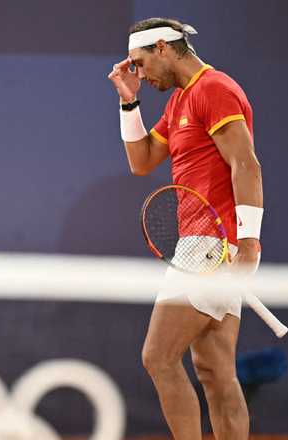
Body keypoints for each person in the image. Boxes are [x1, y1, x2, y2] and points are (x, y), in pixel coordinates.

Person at [108, 18, 263, 439]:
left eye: (139, 64)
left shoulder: (214, 89)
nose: (138, 73)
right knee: (215, 372)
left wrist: (248, 242)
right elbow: (140, 162)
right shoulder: (180, 102)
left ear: (162, 47)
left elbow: (246, 164)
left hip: (210, 246)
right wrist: (128, 102)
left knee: (158, 357)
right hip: (211, 246)